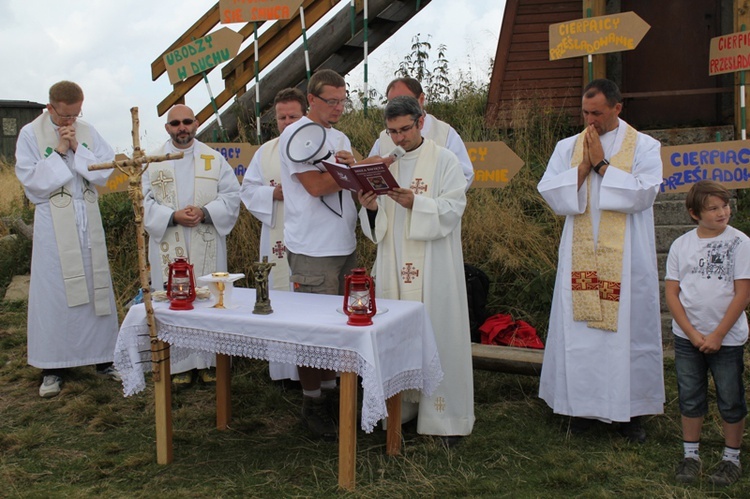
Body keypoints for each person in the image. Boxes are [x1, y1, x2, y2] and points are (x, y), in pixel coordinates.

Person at [537, 78, 664, 442]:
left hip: (626, 257)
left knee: (627, 332)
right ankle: (580, 409)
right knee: (581, 334)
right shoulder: (569, 146)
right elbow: (549, 191)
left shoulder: (644, 146)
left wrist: (603, 166)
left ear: (617, 109)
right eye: (585, 112)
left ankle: (630, 412)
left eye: (597, 113)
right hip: (580, 254)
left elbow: (644, 194)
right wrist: (582, 168)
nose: (589, 120)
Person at [358, 95, 474, 446]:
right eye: (392, 132)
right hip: (394, 261)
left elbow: (454, 207)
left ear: (420, 122)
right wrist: (373, 207)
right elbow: (376, 228)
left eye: (405, 130)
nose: (398, 139)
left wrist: (417, 203)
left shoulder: (444, 159)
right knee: (397, 338)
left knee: (439, 334)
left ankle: (444, 419)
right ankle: (401, 415)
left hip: (435, 261)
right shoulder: (385, 163)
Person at [15, 80, 120, 398]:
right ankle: (53, 366)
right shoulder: (30, 134)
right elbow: (31, 182)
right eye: (65, 117)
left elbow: (105, 170)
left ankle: (103, 359)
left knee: (95, 287)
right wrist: (60, 152)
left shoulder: (85, 130)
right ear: (51, 108)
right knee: (55, 293)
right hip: (53, 224)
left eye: (76, 115)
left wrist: (77, 148)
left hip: (87, 220)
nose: (70, 122)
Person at [278, 69, 358, 441]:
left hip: (344, 244)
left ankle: (334, 399)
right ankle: (312, 404)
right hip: (312, 248)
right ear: (311, 99)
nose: (338, 108)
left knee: (341, 329)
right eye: (332, 101)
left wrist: (361, 170)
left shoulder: (339, 136)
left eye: (343, 100)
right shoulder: (294, 134)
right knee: (312, 334)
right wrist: (349, 169)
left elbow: (348, 187)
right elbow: (315, 187)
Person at [143, 104, 240, 388]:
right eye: (175, 123)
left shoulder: (213, 158)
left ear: (196, 123)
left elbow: (232, 195)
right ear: (167, 128)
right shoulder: (153, 161)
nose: (182, 127)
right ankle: (180, 365)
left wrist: (205, 212)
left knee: (209, 299)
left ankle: (209, 362)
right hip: (169, 240)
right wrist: (171, 216)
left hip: (205, 236)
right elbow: (142, 202)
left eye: (187, 122)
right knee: (174, 302)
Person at [665, 180, 750, 486]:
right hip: (688, 339)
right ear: (693, 213)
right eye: (712, 208)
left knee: (730, 398)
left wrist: (717, 335)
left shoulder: (741, 243)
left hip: (727, 340)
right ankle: (690, 455)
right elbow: (672, 293)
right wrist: (692, 333)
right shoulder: (681, 245)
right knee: (689, 395)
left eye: (724, 206)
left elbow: (742, 294)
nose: (722, 212)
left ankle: (731, 458)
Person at [240, 87, 307, 381]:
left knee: (305, 299)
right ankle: (282, 370)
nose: (287, 122)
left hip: (308, 238)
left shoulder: (314, 145)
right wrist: (272, 194)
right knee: (277, 295)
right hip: (275, 233)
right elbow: (248, 189)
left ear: (304, 115)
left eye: (293, 116)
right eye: (282, 117)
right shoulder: (265, 152)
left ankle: (308, 370)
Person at [369, 77, 474, 189]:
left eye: (405, 100)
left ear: (421, 99)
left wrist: (434, 200)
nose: (399, 106)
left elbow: (464, 175)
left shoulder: (444, 133)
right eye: (393, 102)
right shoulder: (384, 138)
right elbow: (371, 179)